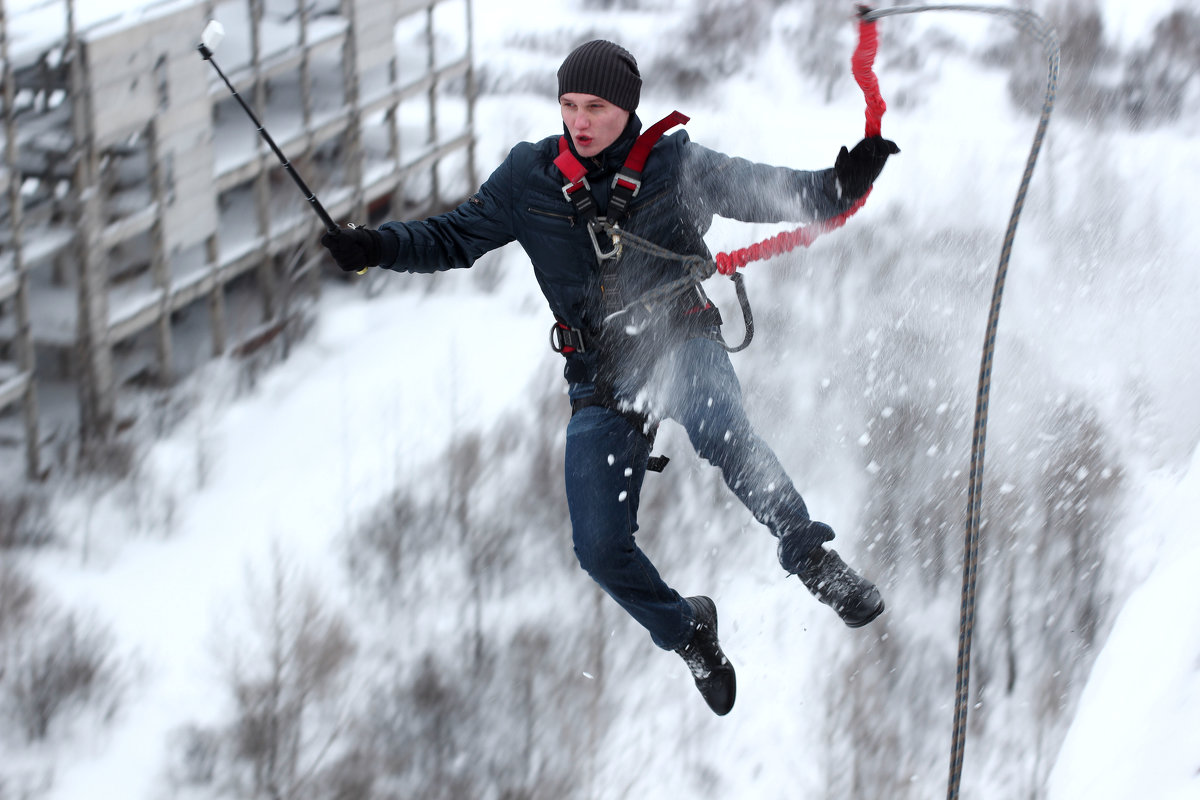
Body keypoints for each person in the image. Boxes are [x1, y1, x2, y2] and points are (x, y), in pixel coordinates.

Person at [322, 39, 897, 716]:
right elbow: (452, 237)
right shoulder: (528, 179)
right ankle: (689, 632)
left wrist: (840, 186)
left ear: (627, 108)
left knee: (721, 428)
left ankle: (813, 560)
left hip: (679, 335)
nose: (579, 119)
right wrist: (375, 248)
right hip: (599, 376)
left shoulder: (674, 165)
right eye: (568, 105)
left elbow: (768, 192)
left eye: (595, 106)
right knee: (598, 547)